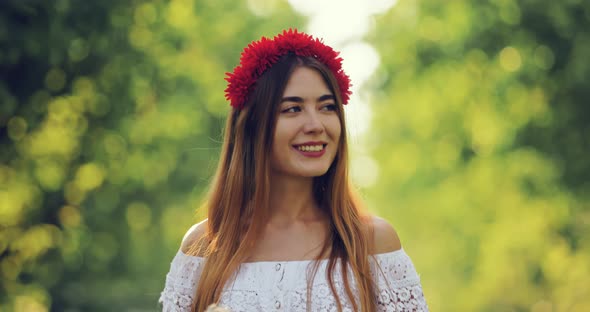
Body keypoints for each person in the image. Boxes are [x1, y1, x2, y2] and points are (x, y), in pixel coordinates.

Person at [159, 29, 429, 312]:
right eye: (292, 109)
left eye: (327, 107)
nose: (316, 124)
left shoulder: (374, 243)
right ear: (252, 127)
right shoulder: (205, 246)